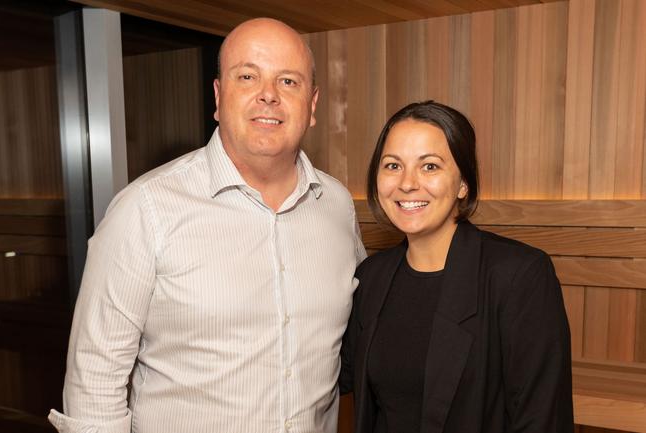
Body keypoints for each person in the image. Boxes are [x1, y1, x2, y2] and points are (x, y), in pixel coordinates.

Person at [49, 17, 365, 433]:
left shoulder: (337, 206)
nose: (268, 95)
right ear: (218, 96)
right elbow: (94, 382)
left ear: (313, 105)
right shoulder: (146, 210)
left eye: (288, 82)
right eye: (247, 76)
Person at [339, 100, 573, 433]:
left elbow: (542, 418)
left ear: (463, 183)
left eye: (429, 167)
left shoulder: (519, 276)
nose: (407, 183)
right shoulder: (371, 278)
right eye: (392, 166)